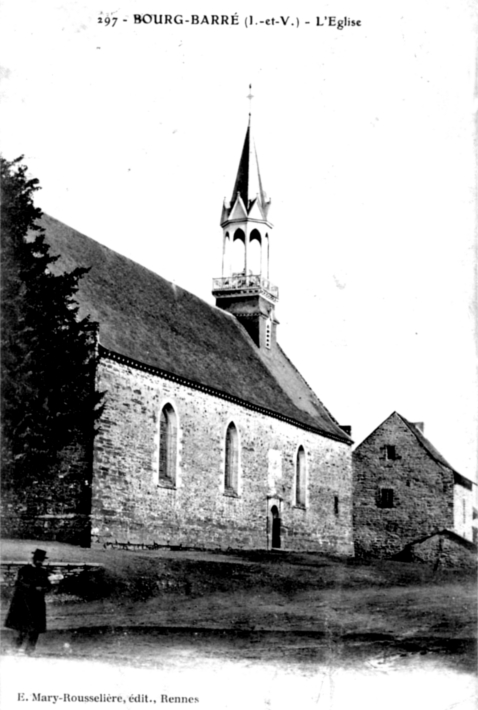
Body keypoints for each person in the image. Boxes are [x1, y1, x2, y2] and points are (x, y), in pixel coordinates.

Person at [5, 548, 52, 654]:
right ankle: (15, 649)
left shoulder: (43, 572)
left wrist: (44, 588)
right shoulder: (24, 570)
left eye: (41, 560)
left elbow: (48, 585)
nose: (40, 562)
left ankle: (30, 650)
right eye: (38, 559)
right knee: (20, 627)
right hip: (23, 602)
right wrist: (33, 588)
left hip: (37, 604)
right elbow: (20, 583)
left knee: (35, 628)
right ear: (34, 559)